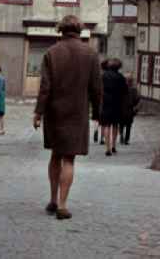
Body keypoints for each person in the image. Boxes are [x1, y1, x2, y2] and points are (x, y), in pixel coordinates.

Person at [33, 15, 101, 220]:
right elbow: (97, 88)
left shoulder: (52, 53)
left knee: (55, 154)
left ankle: (53, 199)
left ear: (60, 30)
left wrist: (38, 112)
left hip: (55, 111)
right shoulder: (90, 54)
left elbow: (45, 87)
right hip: (77, 112)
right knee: (69, 158)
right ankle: (63, 205)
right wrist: (97, 113)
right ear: (80, 31)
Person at [99, 58, 128, 156]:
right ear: (119, 67)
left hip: (106, 102)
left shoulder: (103, 76)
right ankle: (113, 146)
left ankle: (107, 148)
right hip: (117, 102)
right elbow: (125, 91)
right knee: (115, 125)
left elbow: (99, 88)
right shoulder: (121, 77)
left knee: (106, 125)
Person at [120, 72, 140, 146]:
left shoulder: (120, 88)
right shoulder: (134, 90)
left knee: (121, 124)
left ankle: (121, 134)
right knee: (128, 125)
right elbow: (137, 99)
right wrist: (134, 105)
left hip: (121, 109)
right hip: (129, 110)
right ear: (131, 81)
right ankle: (126, 139)